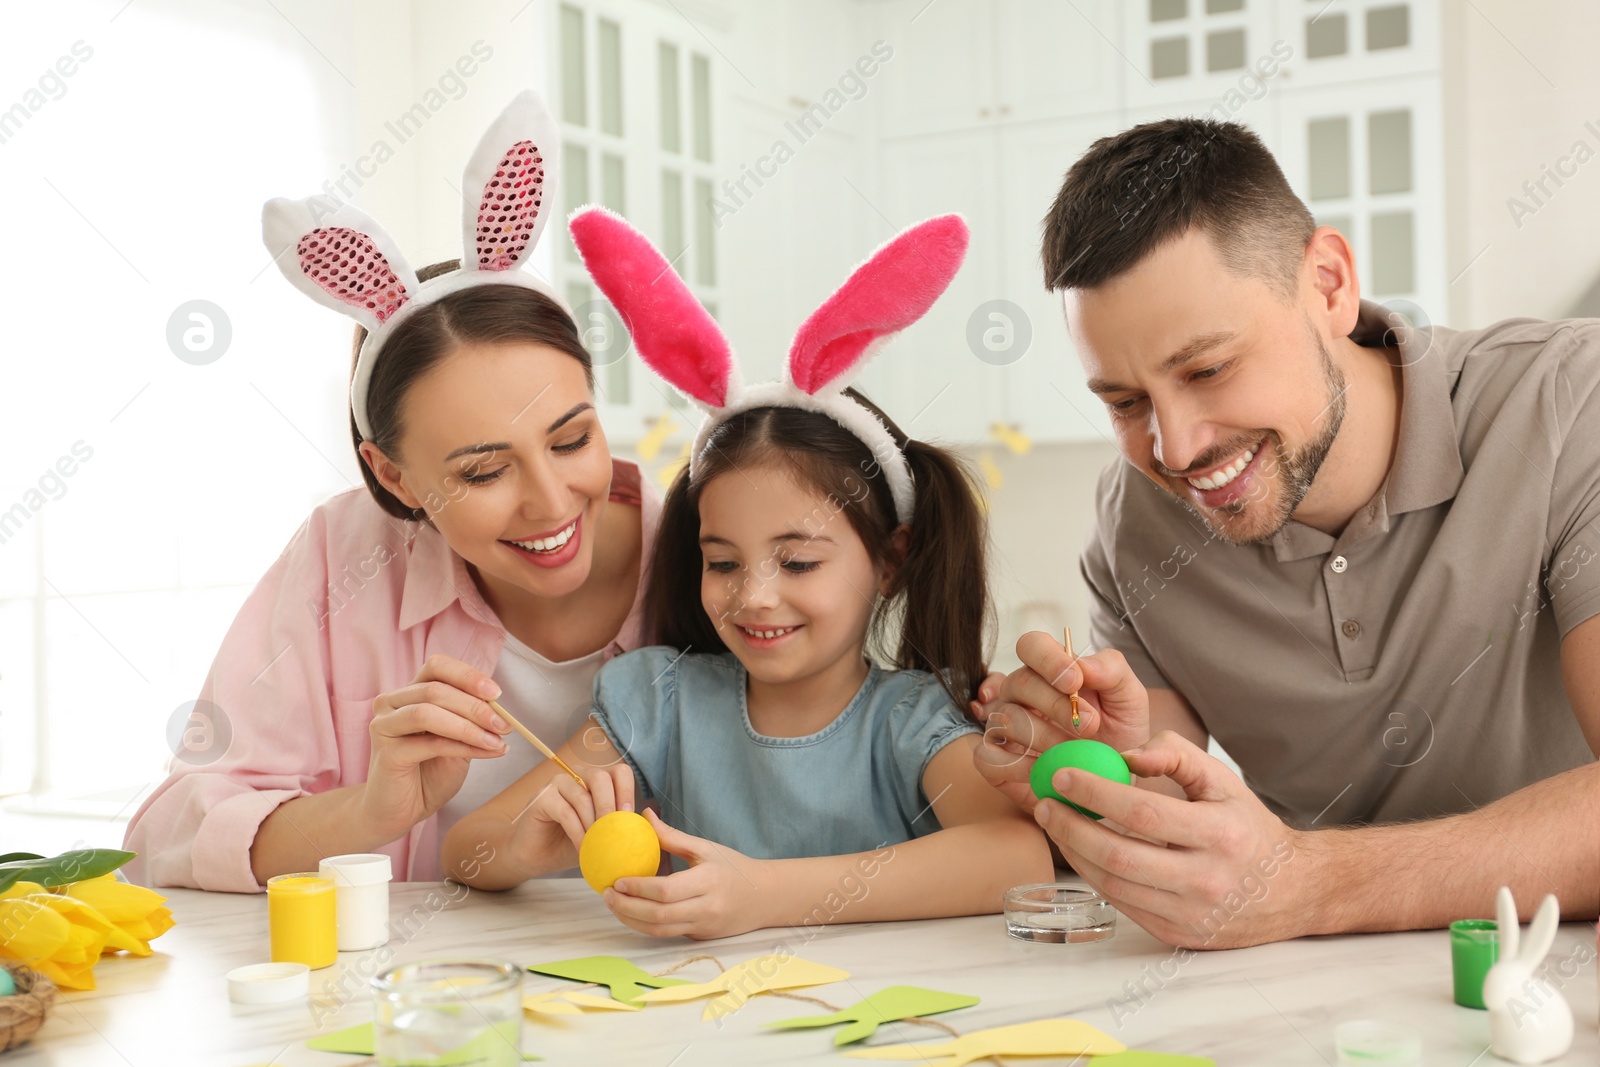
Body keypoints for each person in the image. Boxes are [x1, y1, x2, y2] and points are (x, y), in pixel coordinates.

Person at [977, 117, 1600, 948]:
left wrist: (1307, 885)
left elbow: (1283, 886)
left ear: (1330, 284)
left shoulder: (1569, 406)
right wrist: (1113, 783)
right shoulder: (1136, 521)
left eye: (1207, 369)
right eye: (1125, 402)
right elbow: (1184, 848)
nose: (1176, 447)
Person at [441, 209, 1051, 938]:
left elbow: (1020, 859)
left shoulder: (908, 719)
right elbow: (462, 847)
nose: (754, 594)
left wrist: (765, 895)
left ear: (890, 559)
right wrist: (521, 848)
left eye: (797, 561)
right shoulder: (660, 703)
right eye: (723, 561)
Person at [123, 91, 659, 892]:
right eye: (484, 471)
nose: (550, 501)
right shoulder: (344, 557)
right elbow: (165, 832)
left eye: (572, 437)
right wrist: (370, 813)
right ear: (392, 474)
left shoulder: (707, 547)